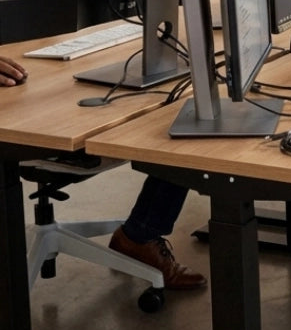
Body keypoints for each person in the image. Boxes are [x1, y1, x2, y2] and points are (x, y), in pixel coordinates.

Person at [1, 61, 205, 291]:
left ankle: (138, 234)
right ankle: (140, 235)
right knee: (180, 126)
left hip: (37, 87)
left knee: (182, 114)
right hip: (25, 128)